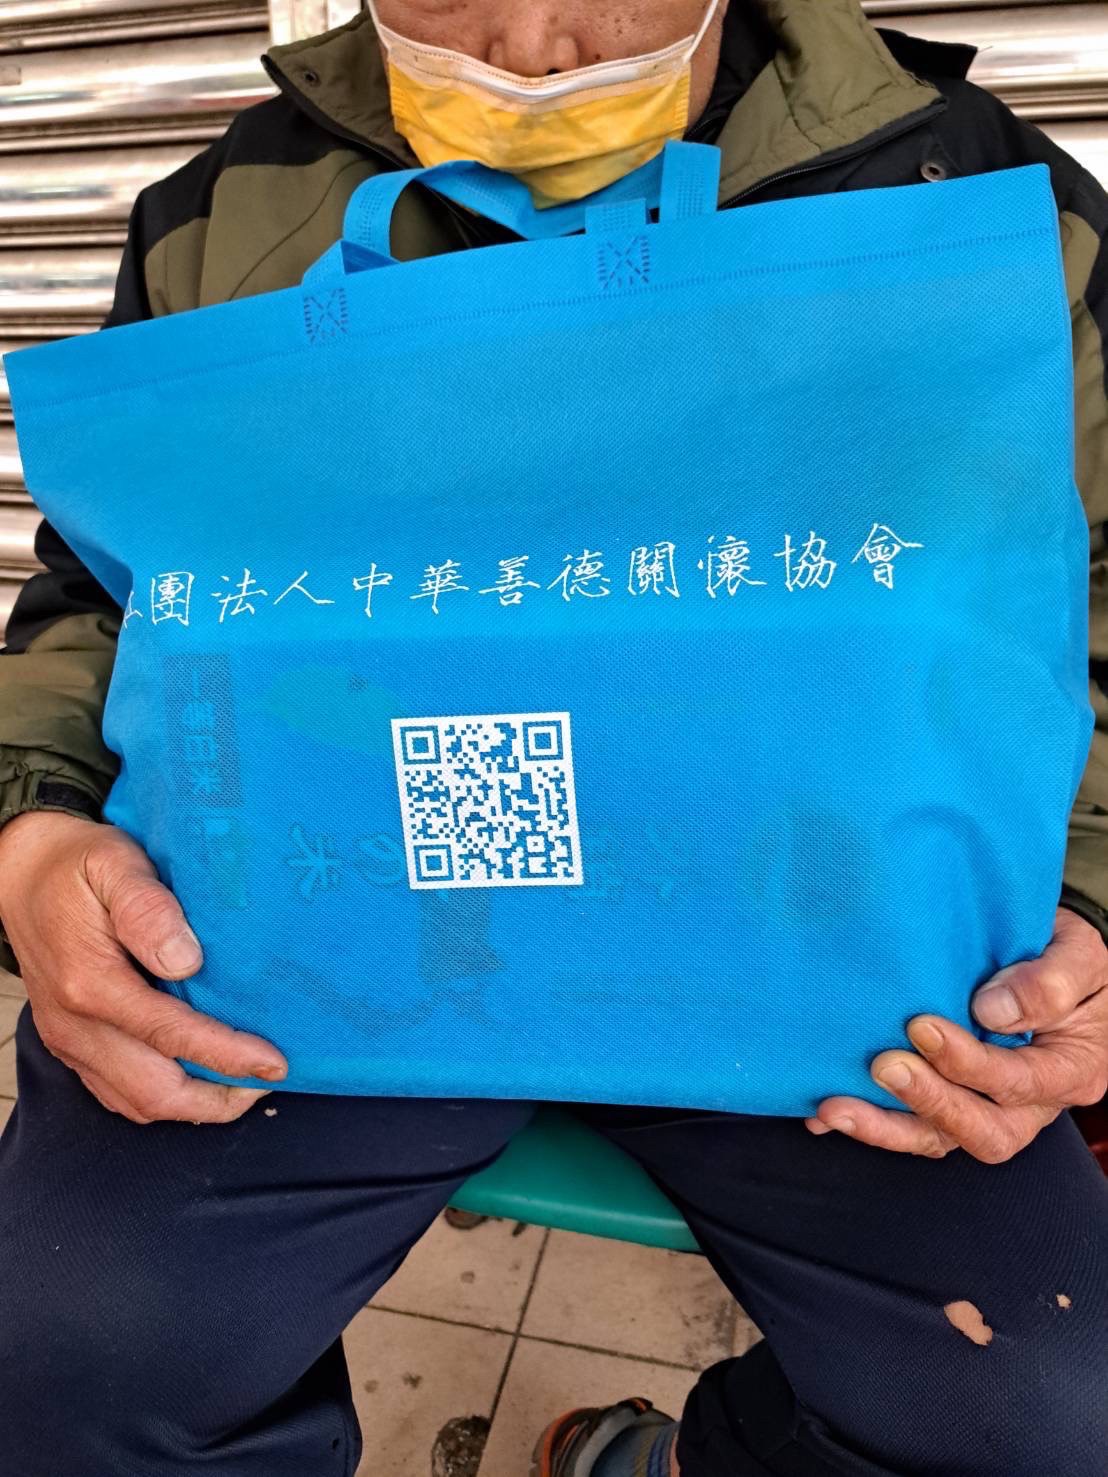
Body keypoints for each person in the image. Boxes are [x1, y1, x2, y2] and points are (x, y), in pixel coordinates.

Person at [0, 3, 1106, 1473]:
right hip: (355, 933)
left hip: (827, 947)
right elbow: (104, 590)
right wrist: (34, 827)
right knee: (65, 1351)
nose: (532, 41)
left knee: (1049, 1404)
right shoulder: (223, 219)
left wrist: (1094, 911)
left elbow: (1084, 588)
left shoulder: (973, 199)